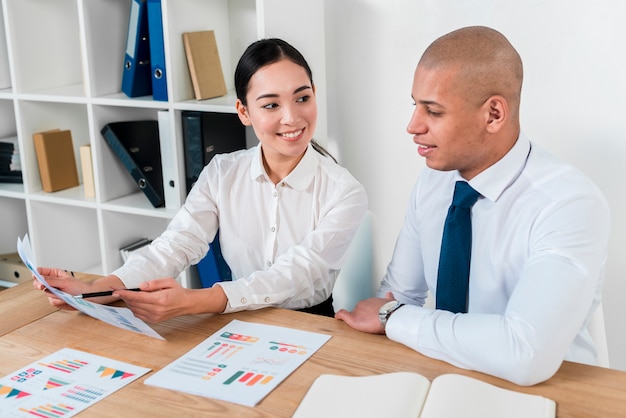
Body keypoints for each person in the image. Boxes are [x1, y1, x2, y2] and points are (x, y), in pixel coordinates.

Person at [335, 26, 610, 386]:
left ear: (494, 114)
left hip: (548, 393)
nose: (412, 126)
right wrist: (393, 315)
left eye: (432, 111)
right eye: (414, 105)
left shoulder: (569, 204)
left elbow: (523, 353)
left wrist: (395, 317)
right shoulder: (434, 180)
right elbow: (398, 296)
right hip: (444, 375)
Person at [34, 38, 367, 321]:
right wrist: (96, 290)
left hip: (311, 326)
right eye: (271, 105)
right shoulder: (223, 172)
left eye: (302, 97)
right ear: (244, 112)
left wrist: (196, 301)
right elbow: (176, 245)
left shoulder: (344, 191)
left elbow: (297, 273)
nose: (291, 117)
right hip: (239, 322)